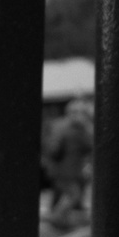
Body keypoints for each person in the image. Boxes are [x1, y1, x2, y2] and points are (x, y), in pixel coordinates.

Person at [45, 97, 94, 227]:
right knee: (73, 194)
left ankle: (58, 220)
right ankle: (57, 218)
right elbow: (92, 144)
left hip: (62, 170)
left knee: (69, 194)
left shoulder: (61, 125)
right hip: (68, 170)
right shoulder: (78, 129)